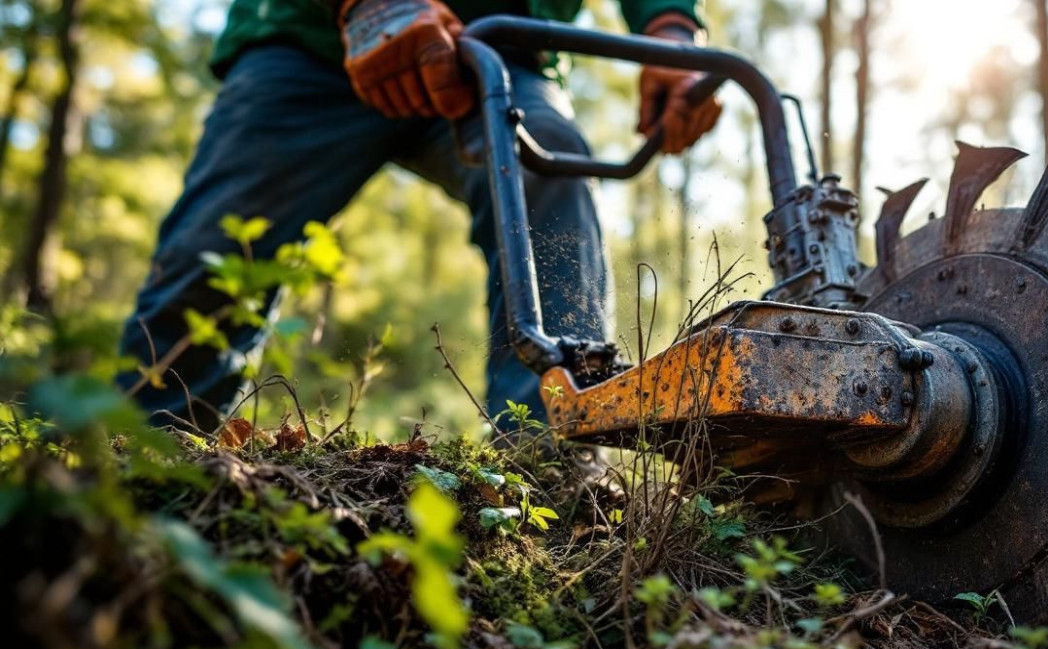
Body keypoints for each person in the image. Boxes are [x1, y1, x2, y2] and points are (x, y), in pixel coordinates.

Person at [117, 0, 721, 432]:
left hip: (500, 49)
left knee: (549, 167)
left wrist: (670, 27)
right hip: (310, 45)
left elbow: (668, 20)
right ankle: (143, 455)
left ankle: (554, 453)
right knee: (216, 248)